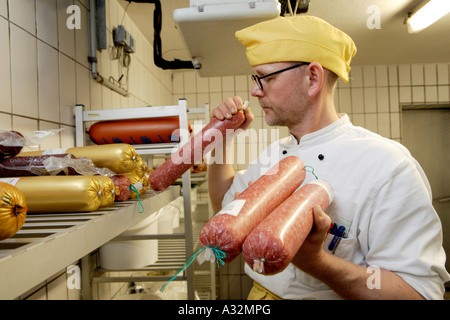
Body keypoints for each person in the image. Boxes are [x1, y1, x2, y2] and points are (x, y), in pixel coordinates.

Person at [207, 15, 450, 300]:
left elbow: (418, 292)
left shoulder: (387, 165)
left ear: (313, 78)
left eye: (267, 78)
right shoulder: (271, 156)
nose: (255, 90)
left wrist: (318, 264)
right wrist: (222, 142)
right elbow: (226, 204)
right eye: (255, 78)